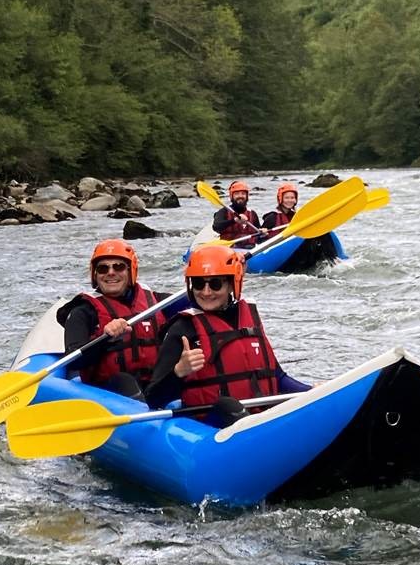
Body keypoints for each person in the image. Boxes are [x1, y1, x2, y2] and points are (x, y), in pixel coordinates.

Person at [145, 245, 311, 427]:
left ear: (232, 284)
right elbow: (153, 399)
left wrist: (311, 392)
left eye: (215, 284)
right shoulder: (183, 328)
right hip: (211, 426)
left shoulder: (250, 318)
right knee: (226, 405)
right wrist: (179, 372)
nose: (206, 292)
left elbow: (277, 377)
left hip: (257, 418)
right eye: (199, 284)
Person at [57, 239, 183, 399]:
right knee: (124, 380)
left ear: (131, 271)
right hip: (108, 393)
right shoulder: (82, 311)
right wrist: (105, 339)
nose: (110, 272)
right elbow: (73, 361)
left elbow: (202, 302)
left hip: (154, 386)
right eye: (103, 268)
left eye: (119, 266)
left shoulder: (157, 302)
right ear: (95, 274)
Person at [212, 181, 266, 248]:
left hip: (250, 251)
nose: (240, 196)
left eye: (243, 194)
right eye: (237, 194)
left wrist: (262, 234)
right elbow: (216, 227)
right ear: (232, 196)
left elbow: (258, 238)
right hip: (229, 250)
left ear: (247, 196)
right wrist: (234, 221)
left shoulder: (252, 213)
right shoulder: (224, 211)